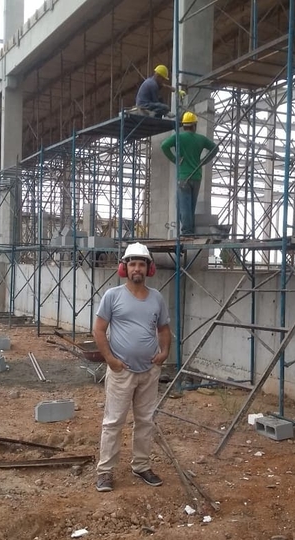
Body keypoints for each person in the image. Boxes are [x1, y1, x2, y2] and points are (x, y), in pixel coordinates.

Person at [93, 242, 171, 492]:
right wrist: (111, 360)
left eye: (141, 264)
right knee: (113, 421)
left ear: (149, 268)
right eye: (132, 263)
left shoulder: (157, 298)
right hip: (121, 371)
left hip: (149, 372)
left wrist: (165, 352)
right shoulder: (112, 296)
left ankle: (141, 466)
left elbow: (164, 329)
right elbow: (99, 330)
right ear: (124, 268)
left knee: (145, 421)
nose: (137, 268)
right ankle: (105, 471)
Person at [161, 111, 219, 235]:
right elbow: (215, 148)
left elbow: (164, 146)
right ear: (194, 125)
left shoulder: (179, 137)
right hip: (197, 176)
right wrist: (204, 160)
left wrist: (175, 159)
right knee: (191, 206)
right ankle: (189, 229)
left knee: (183, 206)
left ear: (184, 125)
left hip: (183, 177)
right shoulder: (201, 139)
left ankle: (187, 232)